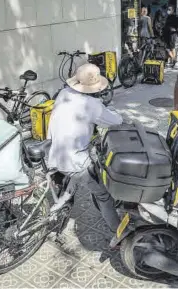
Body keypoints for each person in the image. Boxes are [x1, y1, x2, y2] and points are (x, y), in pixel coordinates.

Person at [47, 63, 123, 247]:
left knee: (76, 170)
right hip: (73, 160)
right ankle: (119, 234)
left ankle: (61, 202)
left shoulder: (64, 94)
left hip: (52, 152)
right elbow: (117, 121)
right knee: (103, 195)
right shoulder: (92, 104)